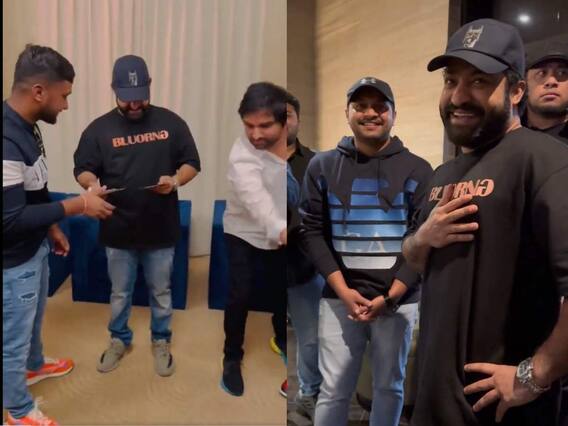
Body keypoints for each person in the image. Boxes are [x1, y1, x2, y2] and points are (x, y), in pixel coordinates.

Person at [402, 19, 568, 426]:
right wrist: (423, 239)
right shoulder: (442, 175)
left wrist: (536, 374)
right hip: (432, 401)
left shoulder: (545, 159)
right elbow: (413, 258)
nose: (458, 96)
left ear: (516, 91)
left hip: (499, 409)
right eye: (451, 80)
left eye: (478, 81)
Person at [300, 77, 433, 426]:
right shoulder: (322, 166)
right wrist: (344, 292)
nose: (370, 113)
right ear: (347, 113)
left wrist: (391, 297)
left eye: (380, 106)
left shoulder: (419, 169)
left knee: (389, 386)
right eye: (361, 106)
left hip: (399, 301)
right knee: (333, 390)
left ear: (393, 114)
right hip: (338, 299)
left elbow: (422, 240)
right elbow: (312, 231)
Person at [3, 44, 114, 426]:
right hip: (11, 262)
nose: (66, 105)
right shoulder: (4, 141)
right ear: (39, 92)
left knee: (34, 320)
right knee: (12, 339)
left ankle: (34, 366)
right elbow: (9, 219)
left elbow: (33, 189)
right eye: (63, 95)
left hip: (33, 247)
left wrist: (51, 227)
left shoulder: (27, 126)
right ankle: (18, 412)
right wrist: (78, 205)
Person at [73, 55, 201, 377]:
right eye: (127, 98)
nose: (134, 105)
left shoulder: (171, 123)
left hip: (160, 226)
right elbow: (83, 169)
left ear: (150, 86)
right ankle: (119, 339)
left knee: (161, 292)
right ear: (114, 89)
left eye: (140, 97)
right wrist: (91, 186)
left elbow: (192, 163)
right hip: (117, 227)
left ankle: (161, 339)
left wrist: (175, 181)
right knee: (120, 293)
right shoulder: (98, 129)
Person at [221, 82, 287, 397]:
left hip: (282, 232)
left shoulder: (291, 145)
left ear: (283, 122)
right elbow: (255, 198)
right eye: (249, 125)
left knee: (281, 291)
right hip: (243, 230)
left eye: (265, 125)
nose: (255, 134)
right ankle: (231, 356)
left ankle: (281, 337)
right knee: (240, 295)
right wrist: (279, 228)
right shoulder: (241, 154)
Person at [523, 40, 568, 426]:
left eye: (563, 75)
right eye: (542, 74)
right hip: (516, 300)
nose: (552, 81)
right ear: (522, 86)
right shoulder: (500, 141)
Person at [286, 92, 324, 421]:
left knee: (310, 338)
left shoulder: (316, 162)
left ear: (298, 119)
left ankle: (308, 393)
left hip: (304, 269)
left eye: (288, 115)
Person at [523, 40, 567, 144]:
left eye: (562, 73)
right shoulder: (503, 134)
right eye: (541, 73)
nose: (551, 81)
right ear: (524, 85)